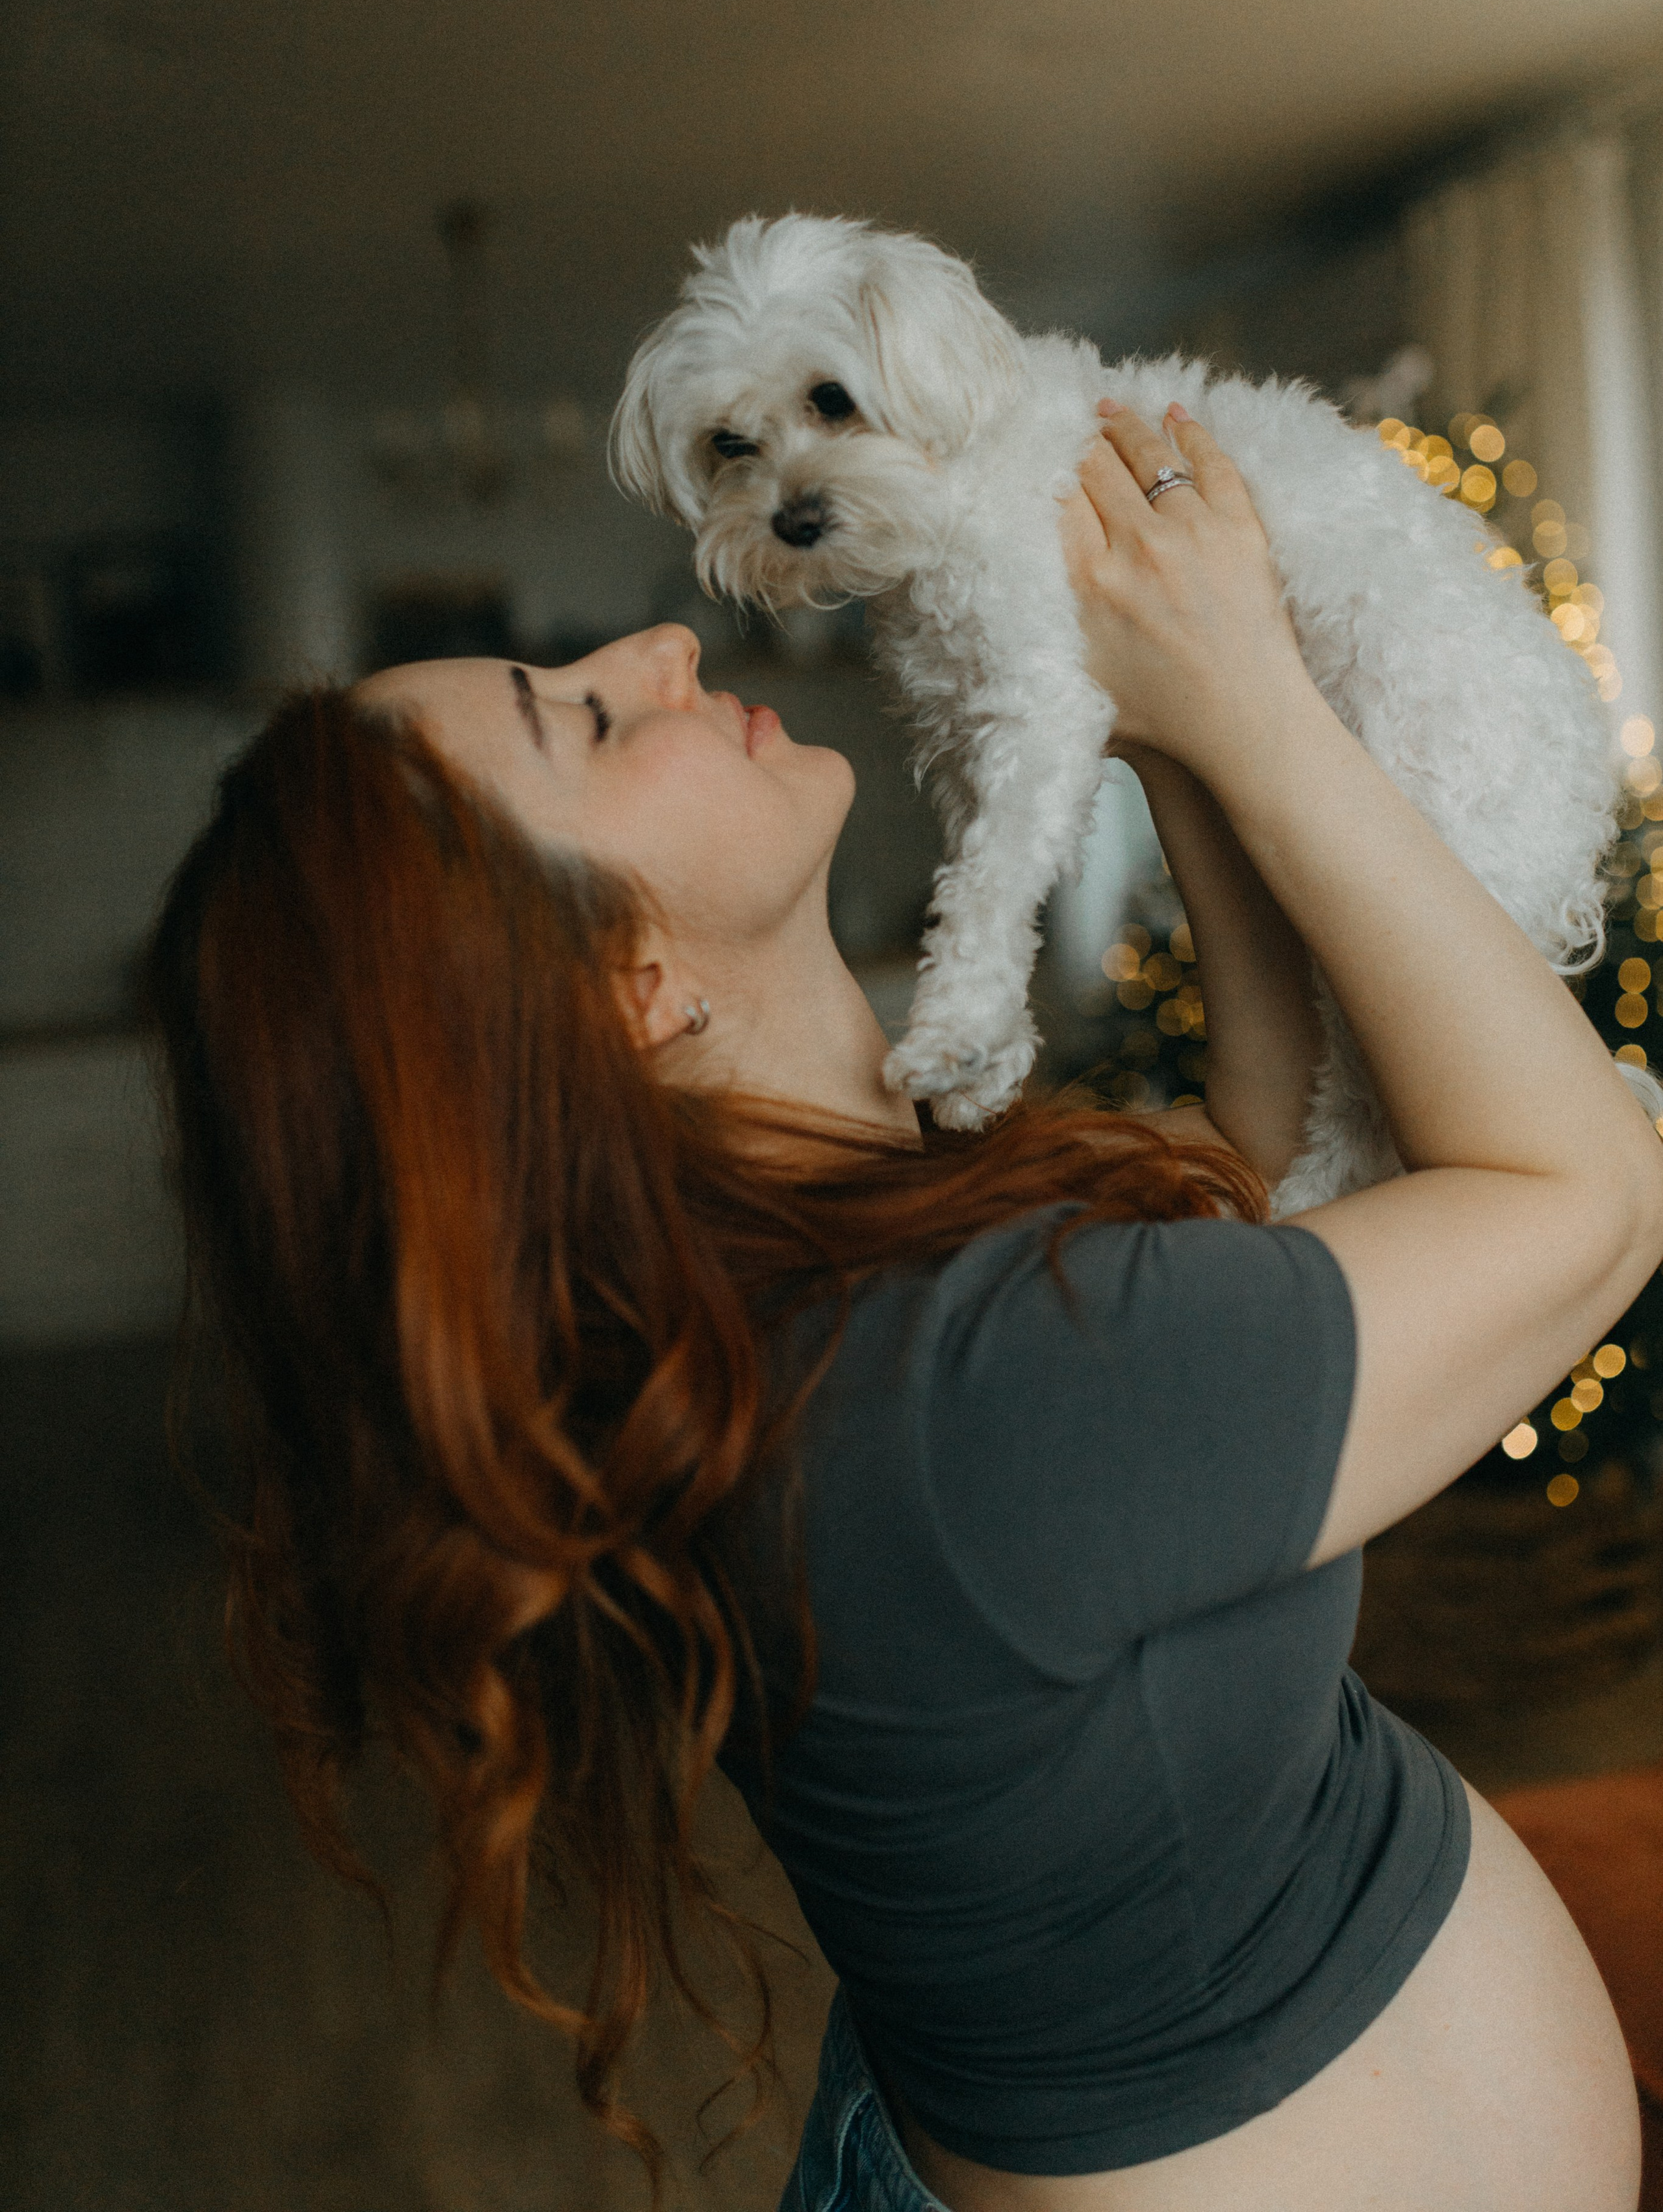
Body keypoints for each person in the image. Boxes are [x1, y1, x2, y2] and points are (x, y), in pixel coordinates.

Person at [143, 400, 1660, 2212]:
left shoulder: (813, 1263)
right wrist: (1250, 705)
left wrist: (1163, 734)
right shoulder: (944, 1395)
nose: (664, 643)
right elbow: (1588, 1198)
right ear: (630, 989)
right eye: (593, 717)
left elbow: (1251, 1178)